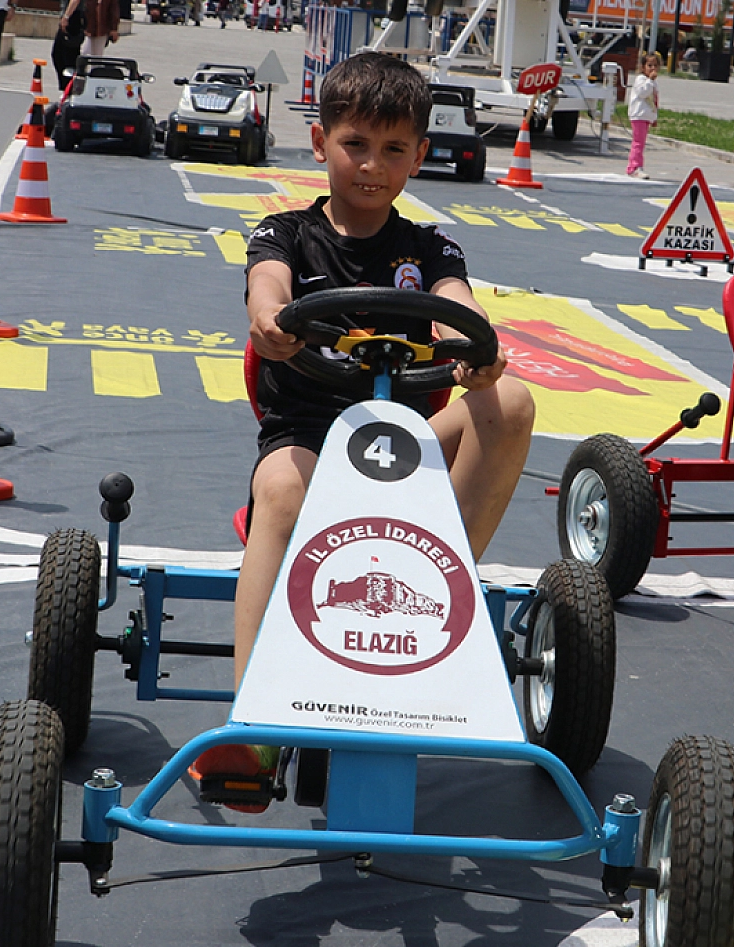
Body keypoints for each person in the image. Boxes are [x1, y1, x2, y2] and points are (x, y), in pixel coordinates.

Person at [190, 52, 535, 810]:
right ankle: (251, 725)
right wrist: (270, 320)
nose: (371, 166)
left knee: (510, 401)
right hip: (310, 435)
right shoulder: (286, 234)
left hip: (405, 447)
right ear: (320, 144)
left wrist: (479, 346)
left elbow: (458, 302)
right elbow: (267, 287)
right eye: (355, 145)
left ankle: (435, 595)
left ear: (419, 154)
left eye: (392, 149)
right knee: (281, 486)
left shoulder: (431, 248)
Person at [626, 52, 660, 179]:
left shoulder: (653, 83)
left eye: (655, 65)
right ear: (643, 67)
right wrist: (650, 80)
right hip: (638, 115)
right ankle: (634, 167)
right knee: (638, 142)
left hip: (646, 116)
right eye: (649, 65)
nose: (652, 68)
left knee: (641, 142)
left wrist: (654, 116)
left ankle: (635, 166)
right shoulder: (641, 80)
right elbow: (643, 93)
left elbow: (654, 101)